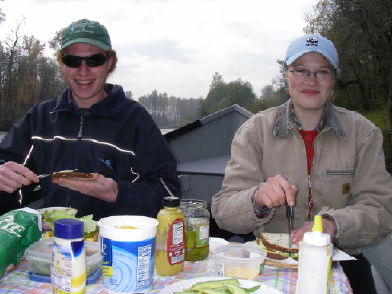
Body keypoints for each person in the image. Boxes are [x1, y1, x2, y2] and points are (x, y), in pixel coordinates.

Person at [211, 34, 392, 293]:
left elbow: (382, 211)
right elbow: (224, 211)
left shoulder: (364, 134)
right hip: (268, 263)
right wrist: (257, 199)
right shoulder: (253, 132)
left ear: (333, 81)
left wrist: (332, 225)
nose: (310, 80)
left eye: (322, 72)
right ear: (287, 77)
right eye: (301, 70)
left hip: (342, 261)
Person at [0, 19, 180, 220]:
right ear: (62, 63)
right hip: (50, 241)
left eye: (94, 60)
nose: (83, 71)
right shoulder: (39, 119)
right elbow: (8, 177)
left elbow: (169, 193)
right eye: (73, 61)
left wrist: (118, 193)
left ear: (110, 63)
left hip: (116, 244)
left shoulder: (135, 120)